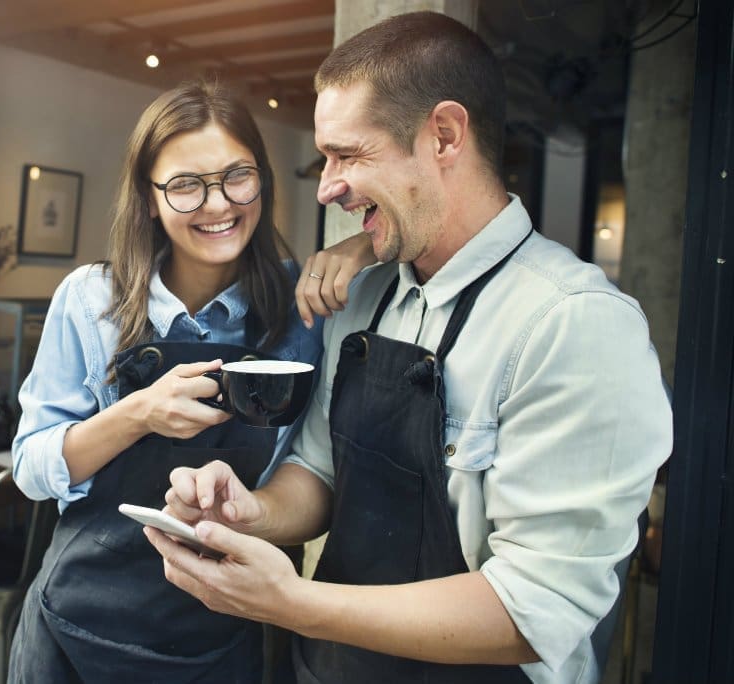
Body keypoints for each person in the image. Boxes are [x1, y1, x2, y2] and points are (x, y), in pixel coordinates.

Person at [146, 11, 673, 684]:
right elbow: (319, 472)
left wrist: (293, 602)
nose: (329, 186)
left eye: (349, 155)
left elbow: (535, 610)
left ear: (445, 135)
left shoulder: (577, 326)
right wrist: (252, 513)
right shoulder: (363, 298)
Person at [6, 80, 328, 683]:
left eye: (238, 175)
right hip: (79, 625)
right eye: (185, 186)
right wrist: (137, 414)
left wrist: (359, 251)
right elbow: (30, 468)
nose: (217, 204)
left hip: (231, 630)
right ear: (150, 199)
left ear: (263, 180)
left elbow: (312, 473)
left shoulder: (304, 311)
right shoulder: (90, 299)